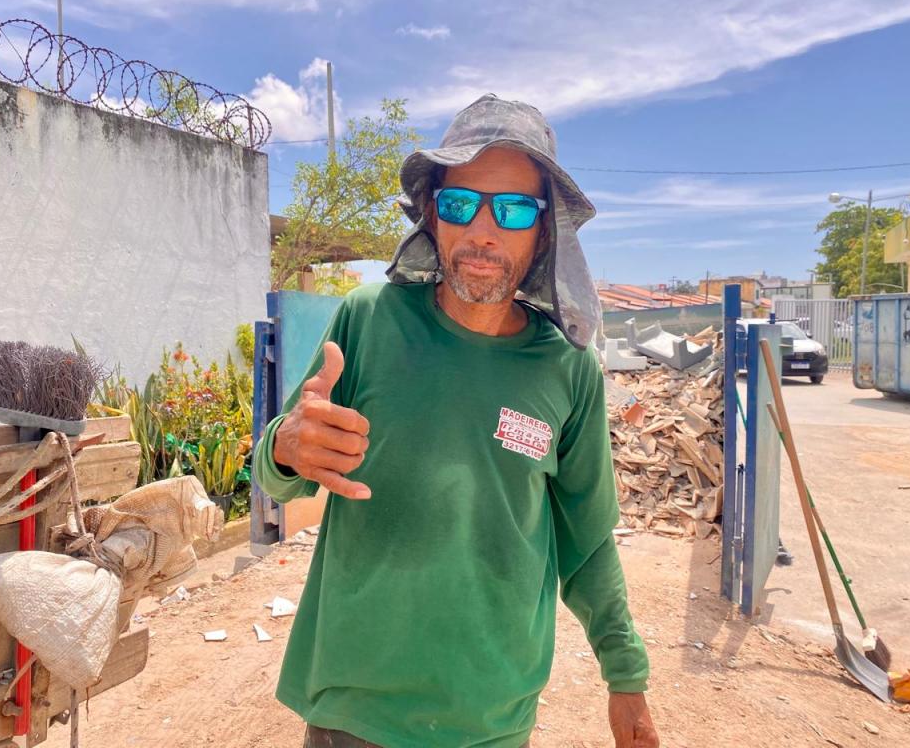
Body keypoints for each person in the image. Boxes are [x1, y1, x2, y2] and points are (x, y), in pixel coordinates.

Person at [254, 94, 658, 748]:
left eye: (514, 209)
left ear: (545, 230)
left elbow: (586, 543)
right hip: (354, 707)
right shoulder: (367, 321)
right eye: (461, 203)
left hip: (491, 717)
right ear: (432, 215)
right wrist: (284, 448)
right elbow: (279, 478)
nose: (483, 231)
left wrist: (626, 675)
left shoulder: (567, 367)